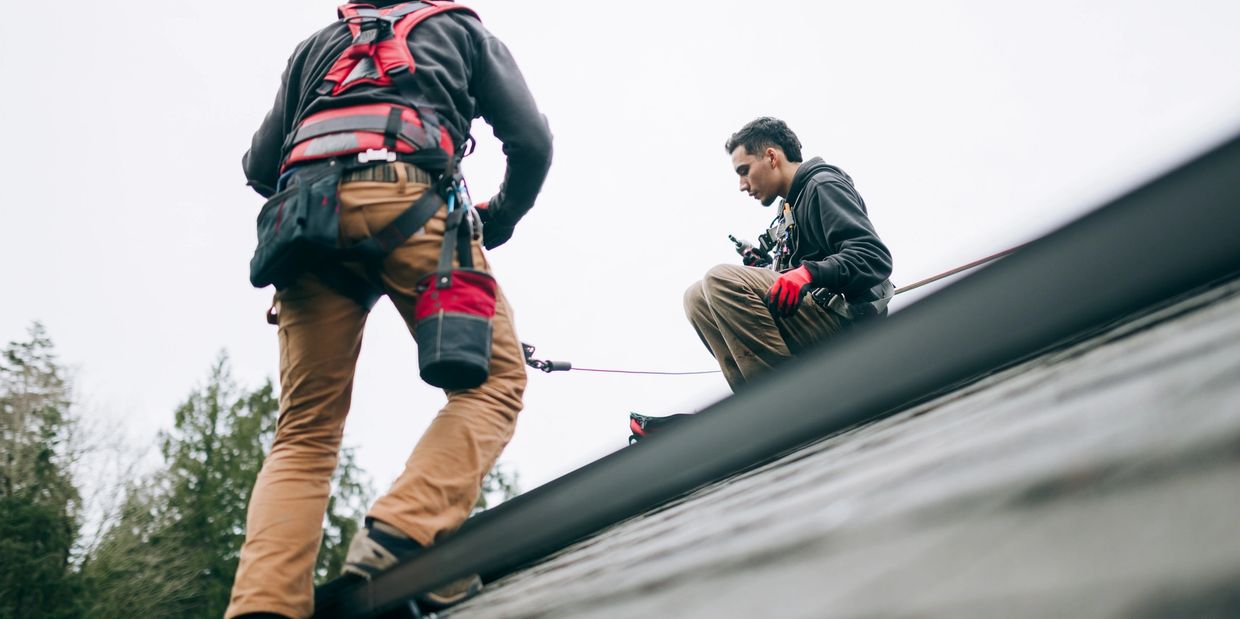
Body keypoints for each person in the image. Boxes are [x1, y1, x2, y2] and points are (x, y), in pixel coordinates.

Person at [226, 1, 552, 617]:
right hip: (412, 200)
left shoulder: (316, 46)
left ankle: (263, 605)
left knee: (303, 434)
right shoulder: (459, 29)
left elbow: (259, 165)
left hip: (304, 223)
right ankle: (402, 538)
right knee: (495, 382)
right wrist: (499, 217)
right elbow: (530, 141)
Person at [687, 117, 893, 392]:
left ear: (771, 157)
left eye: (744, 170)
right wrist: (768, 269)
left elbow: (872, 256)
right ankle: (752, 399)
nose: (742, 184)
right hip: (813, 317)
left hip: (849, 325)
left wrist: (806, 273)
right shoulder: (788, 210)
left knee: (720, 279)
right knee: (696, 297)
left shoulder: (822, 185)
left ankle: (786, 398)